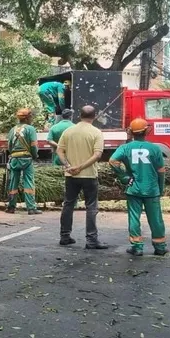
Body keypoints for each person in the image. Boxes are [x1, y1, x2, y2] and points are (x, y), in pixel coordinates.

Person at [109, 118, 168, 257]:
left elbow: (112, 161)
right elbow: (161, 171)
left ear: (131, 132)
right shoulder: (155, 148)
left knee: (134, 218)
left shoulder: (125, 148)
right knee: (156, 219)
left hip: (133, 188)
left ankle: (137, 247)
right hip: (152, 189)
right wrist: (161, 188)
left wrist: (123, 177)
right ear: (146, 131)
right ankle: (160, 247)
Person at [56, 105, 108, 249]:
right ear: (94, 116)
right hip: (89, 175)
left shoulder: (68, 131)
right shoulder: (96, 132)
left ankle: (65, 236)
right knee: (91, 206)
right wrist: (81, 167)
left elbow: (59, 151)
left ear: (80, 115)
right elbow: (97, 155)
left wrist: (68, 165)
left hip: (70, 175)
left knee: (68, 204)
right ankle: (91, 240)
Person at [6, 109, 41, 215]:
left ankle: (11, 207)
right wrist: (35, 156)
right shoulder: (30, 129)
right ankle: (31, 208)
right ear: (27, 118)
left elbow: (9, 146)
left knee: (13, 183)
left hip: (14, 159)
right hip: (26, 159)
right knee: (29, 182)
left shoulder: (13, 129)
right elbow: (34, 145)